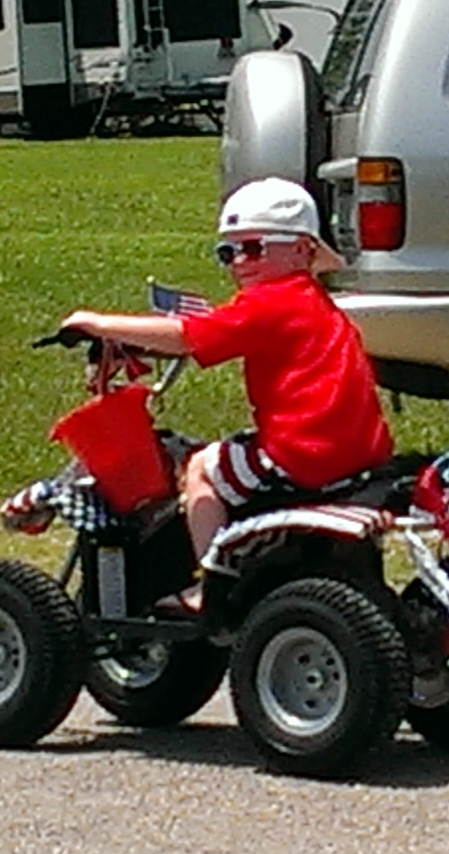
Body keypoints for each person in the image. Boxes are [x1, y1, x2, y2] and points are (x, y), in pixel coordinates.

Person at [60, 177, 394, 613]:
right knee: (234, 455)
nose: (239, 262)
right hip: (358, 451)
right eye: (228, 252)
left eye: (254, 249)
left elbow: (187, 335)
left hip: (303, 451)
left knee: (202, 467)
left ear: (301, 250)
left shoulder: (271, 301)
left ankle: (210, 586)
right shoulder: (312, 301)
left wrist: (99, 324)